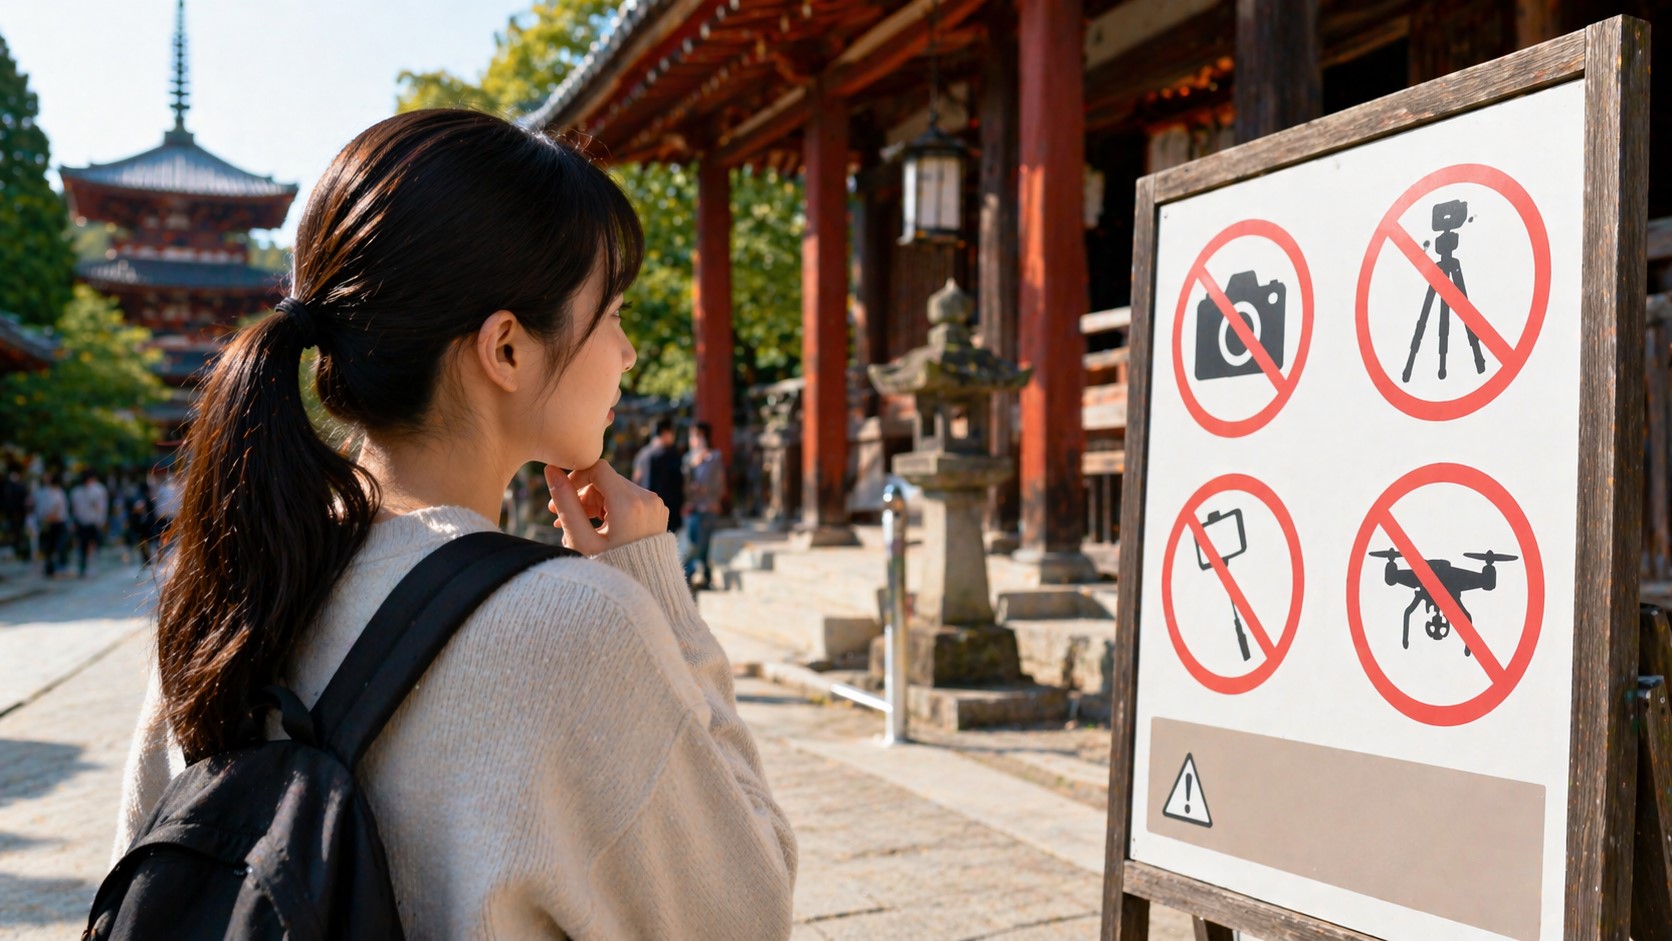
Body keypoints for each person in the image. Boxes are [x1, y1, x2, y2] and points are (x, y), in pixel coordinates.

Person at [113, 109, 795, 939]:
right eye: (611, 313)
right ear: (506, 348)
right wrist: (655, 586)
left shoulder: (230, 581)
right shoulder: (573, 626)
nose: (627, 353)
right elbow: (747, 911)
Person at [682, 421, 726, 588]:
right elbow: (685, 485)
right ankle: (693, 574)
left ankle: (698, 574)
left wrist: (708, 492)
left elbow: (718, 484)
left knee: (703, 544)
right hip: (692, 508)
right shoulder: (688, 459)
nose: (693, 439)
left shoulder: (714, 457)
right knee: (694, 542)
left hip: (709, 507)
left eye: (696, 435)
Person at [632, 416, 684, 531]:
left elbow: (636, 479)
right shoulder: (669, 455)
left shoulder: (642, 454)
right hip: (666, 509)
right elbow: (677, 483)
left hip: (645, 509)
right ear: (666, 432)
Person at [69, 470, 109, 577]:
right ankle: (84, 567)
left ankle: (90, 567)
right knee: (84, 546)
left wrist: (101, 520)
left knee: (91, 545)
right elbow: (75, 508)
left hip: (91, 522)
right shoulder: (78, 492)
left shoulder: (96, 490)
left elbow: (101, 507)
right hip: (85, 522)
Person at [33, 472, 67, 578]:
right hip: (47, 523)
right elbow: (39, 509)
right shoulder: (41, 493)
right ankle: (50, 568)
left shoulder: (59, 492)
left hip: (59, 522)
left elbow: (63, 509)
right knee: (48, 547)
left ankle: (58, 567)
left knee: (59, 545)